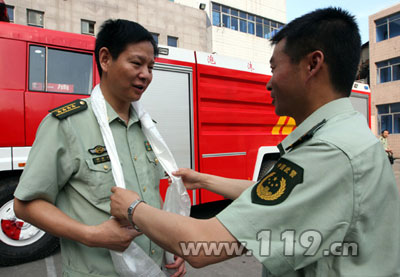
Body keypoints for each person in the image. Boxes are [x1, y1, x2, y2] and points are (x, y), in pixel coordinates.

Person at [109, 7, 400, 276]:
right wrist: (205, 180)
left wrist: (134, 208)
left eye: (274, 68)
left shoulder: (328, 153)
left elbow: (200, 245)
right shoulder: (349, 135)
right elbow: (281, 195)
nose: (269, 82)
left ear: (313, 64)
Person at [14, 19, 185, 277]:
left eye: (151, 67)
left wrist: (171, 248)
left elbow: (152, 202)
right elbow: (25, 205)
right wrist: (92, 235)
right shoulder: (67, 125)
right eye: (137, 63)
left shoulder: (147, 128)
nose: (146, 75)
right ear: (105, 59)